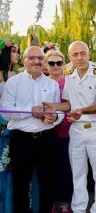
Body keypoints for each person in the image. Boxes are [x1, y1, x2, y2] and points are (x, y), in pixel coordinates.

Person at [48, 41, 96, 213]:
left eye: (83, 53)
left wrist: (82, 110)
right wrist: (54, 107)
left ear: (89, 53)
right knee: (78, 172)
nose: (79, 57)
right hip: (76, 130)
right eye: (75, 54)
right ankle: (79, 208)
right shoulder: (69, 74)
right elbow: (69, 103)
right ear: (70, 57)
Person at [0, 45, 63, 213]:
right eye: (32, 58)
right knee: (20, 184)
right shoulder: (13, 83)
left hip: (47, 138)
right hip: (22, 139)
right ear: (24, 60)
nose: (37, 61)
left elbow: (58, 110)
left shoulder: (52, 84)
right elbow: (5, 111)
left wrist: (54, 117)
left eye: (40, 58)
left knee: (48, 183)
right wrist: (30, 111)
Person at [45, 49, 73, 213]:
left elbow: (71, 104)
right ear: (46, 65)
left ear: (64, 64)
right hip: (48, 132)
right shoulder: (43, 83)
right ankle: (52, 202)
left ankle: (65, 202)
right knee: (50, 169)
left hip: (68, 132)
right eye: (51, 63)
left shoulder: (70, 82)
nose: (55, 66)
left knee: (66, 169)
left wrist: (53, 108)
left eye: (59, 62)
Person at [0, 39, 19, 213]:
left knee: (9, 170)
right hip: (1, 127)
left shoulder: (17, 76)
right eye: (14, 51)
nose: (17, 55)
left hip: (12, 127)